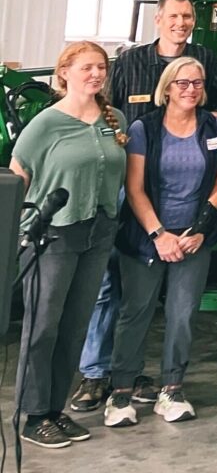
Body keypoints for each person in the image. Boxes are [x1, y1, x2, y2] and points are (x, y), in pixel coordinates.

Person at [68, 0, 217, 416]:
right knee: (116, 293)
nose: (181, 23)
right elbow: (108, 108)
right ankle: (99, 374)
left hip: (188, 214)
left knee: (179, 312)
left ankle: (166, 386)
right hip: (132, 188)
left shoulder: (205, 61)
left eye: (187, 17)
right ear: (158, 19)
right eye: (174, 16)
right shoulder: (131, 67)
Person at [10, 42, 128, 449]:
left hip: (97, 234)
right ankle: (33, 415)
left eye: (101, 67)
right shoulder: (46, 124)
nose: (95, 74)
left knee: (75, 325)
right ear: (64, 74)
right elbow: (18, 176)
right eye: (86, 68)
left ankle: (55, 410)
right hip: (53, 235)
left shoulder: (114, 120)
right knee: (43, 327)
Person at [102, 56, 217, 427]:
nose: (191, 90)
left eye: (198, 83)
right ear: (168, 88)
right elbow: (135, 188)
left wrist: (200, 229)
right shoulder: (145, 128)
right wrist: (159, 234)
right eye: (183, 83)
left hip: (193, 238)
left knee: (183, 315)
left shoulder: (212, 127)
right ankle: (121, 392)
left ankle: (172, 388)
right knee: (135, 313)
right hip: (147, 238)